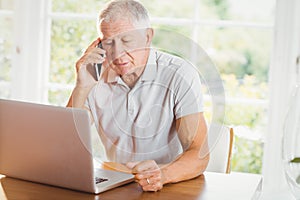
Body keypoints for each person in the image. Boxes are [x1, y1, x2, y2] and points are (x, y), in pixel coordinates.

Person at [67, 0, 209, 192]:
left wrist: (162, 174)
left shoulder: (179, 74)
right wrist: (81, 86)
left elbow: (199, 154)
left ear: (148, 36)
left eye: (126, 41)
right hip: (114, 187)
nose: (117, 54)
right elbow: (66, 144)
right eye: (109, 43)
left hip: (167, 187)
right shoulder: (94, 76)